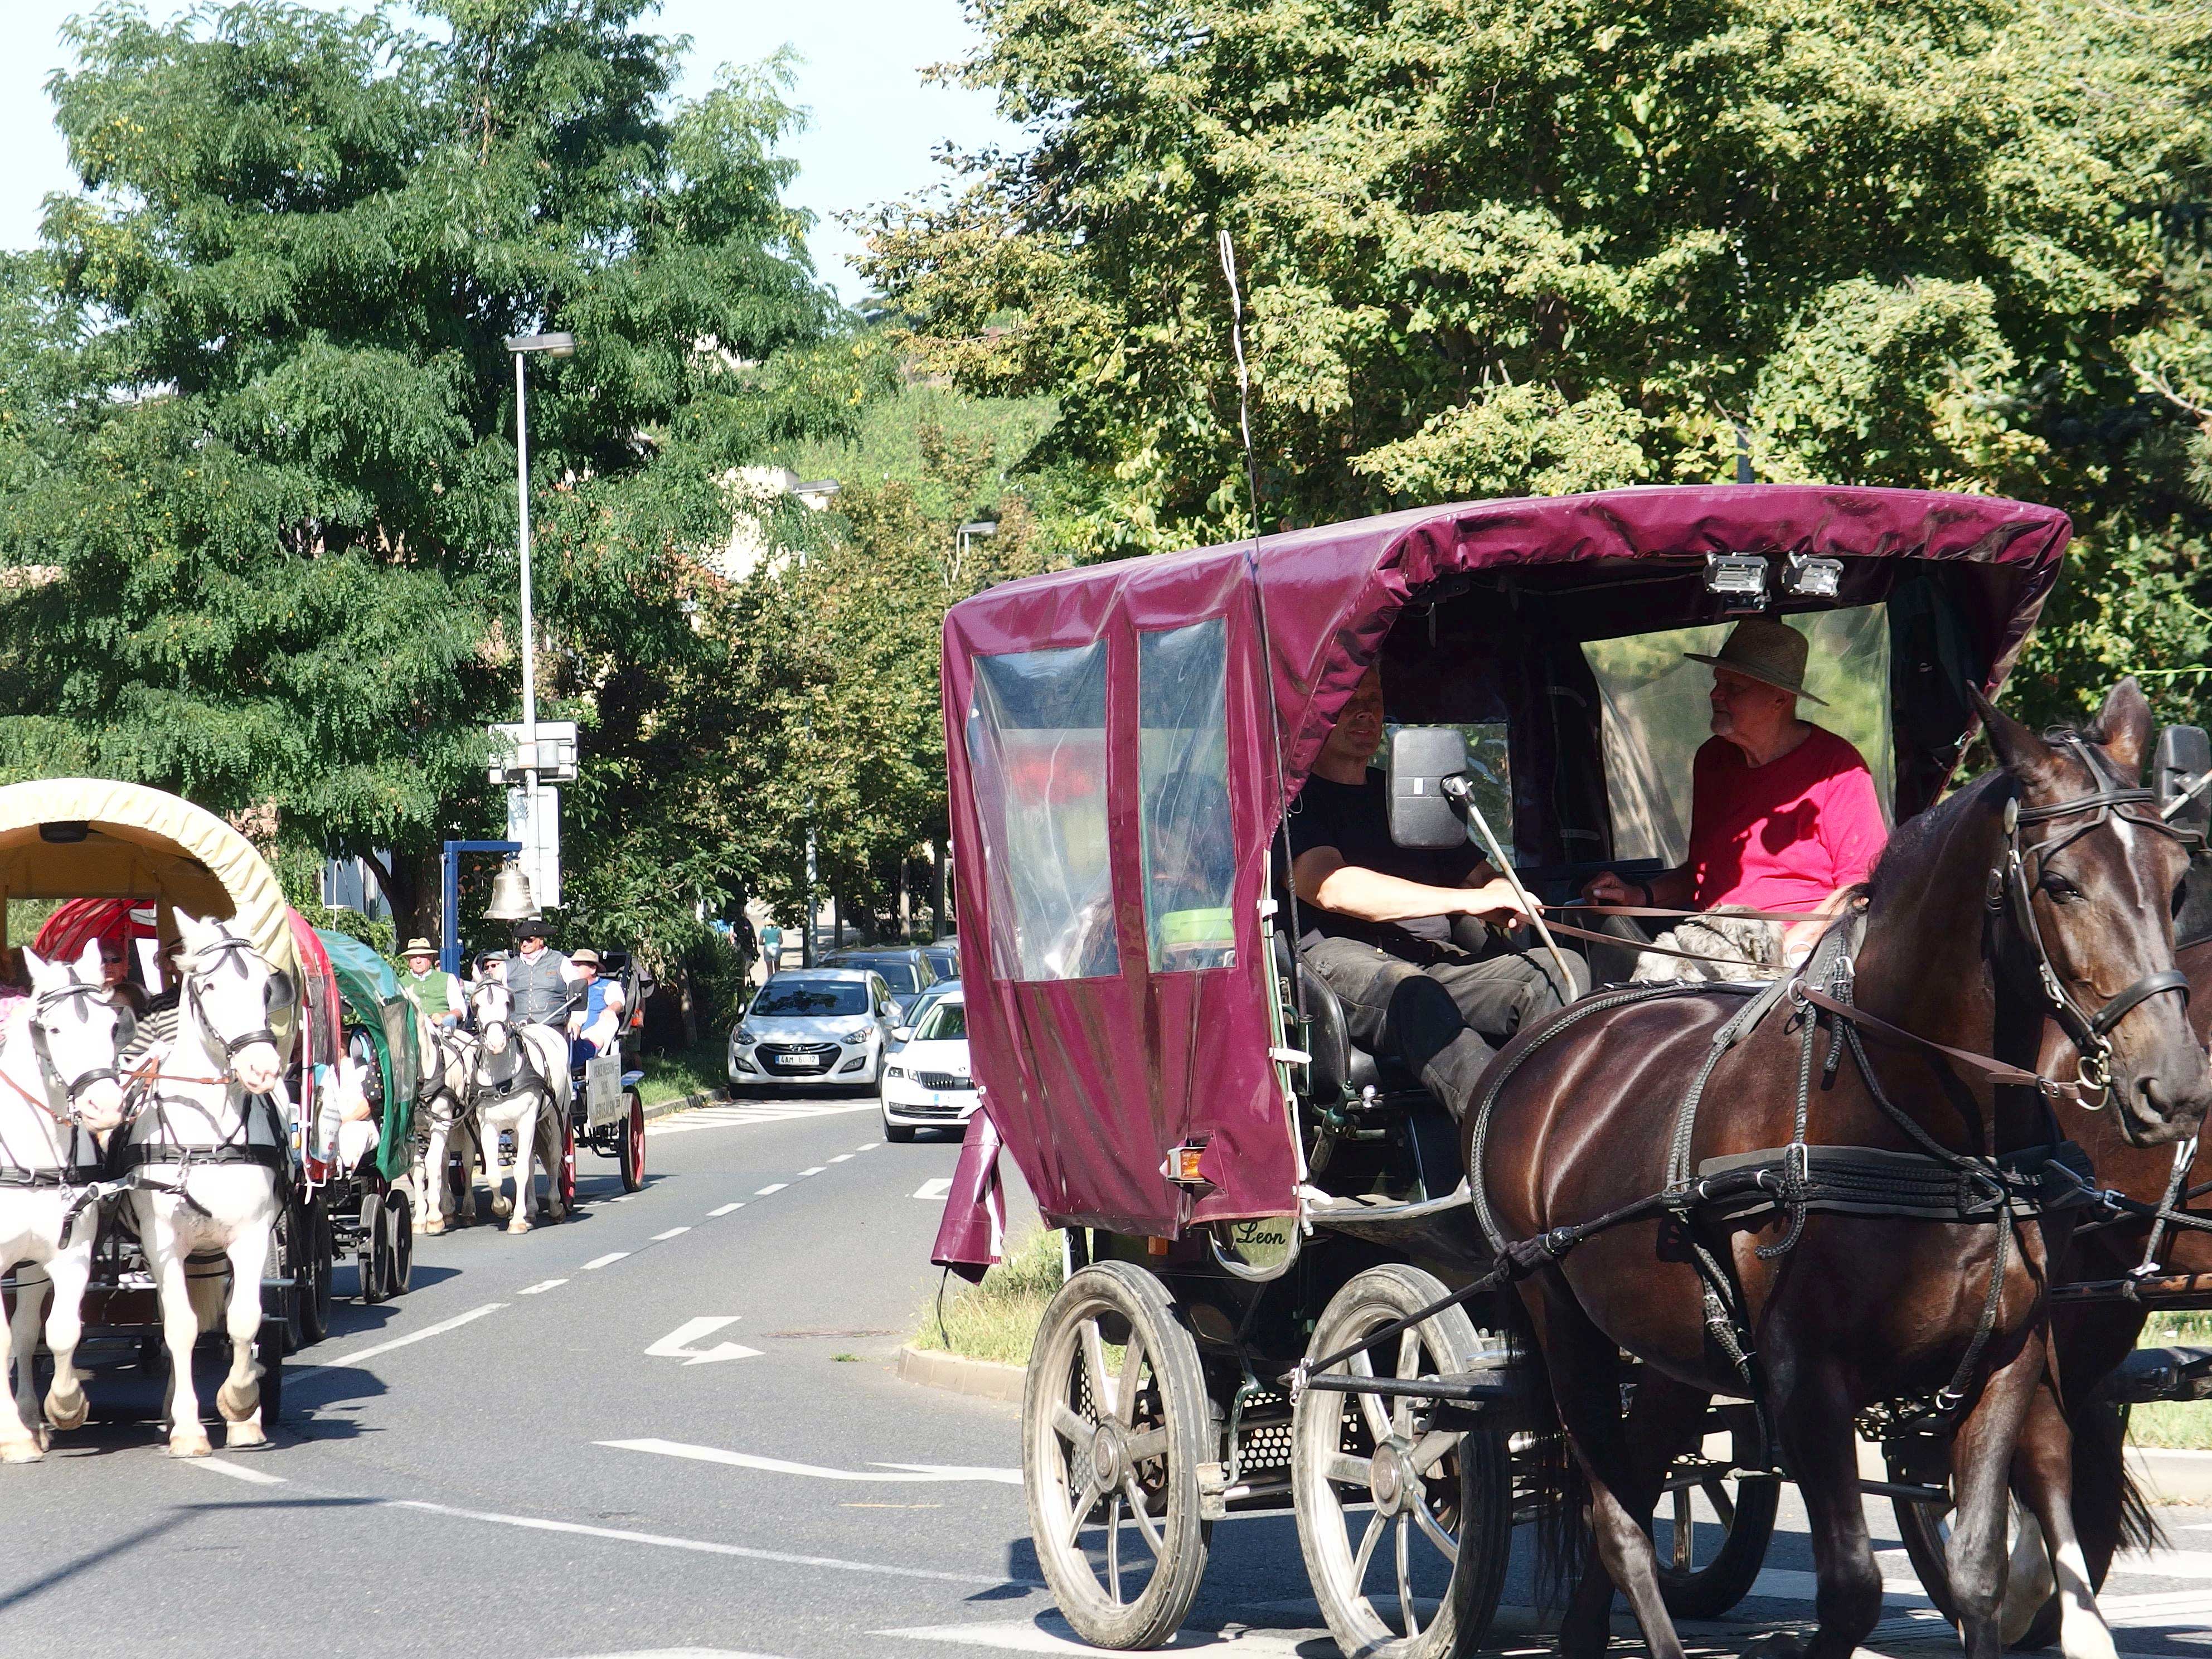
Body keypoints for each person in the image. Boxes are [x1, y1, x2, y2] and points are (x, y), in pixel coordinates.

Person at [1289, 664, 1587, 1121]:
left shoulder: (1403, 794)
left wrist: (1503, 892)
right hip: (1339, 961)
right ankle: (1505, 1134)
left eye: (1375, 699)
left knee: (1553, 971)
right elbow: (1331, 887)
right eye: (1349, 698)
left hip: (1429, 955)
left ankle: (1561, 1123)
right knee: (1412, 989)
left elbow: (1478, 875)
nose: (1367, 713)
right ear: (1314, 712)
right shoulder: (1291, 799)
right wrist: (1468, 902)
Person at [1580, 618, 1888, 983]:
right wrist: (1638, 895)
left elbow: (1863, 887)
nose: (1715, 694)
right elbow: (1702, 872)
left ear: (1780, 697)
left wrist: (1795, 946)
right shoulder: (1713, 759)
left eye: (1734, 687)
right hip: (1713, 946)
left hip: (1801, 960)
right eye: (1717, 682)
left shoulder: (1838, 767)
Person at [565, 947, 627, 1065]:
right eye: (572, 965)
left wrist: (610, 1009)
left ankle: (593, 1048)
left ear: (593, 969)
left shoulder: (608, 985)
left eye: (578, 965)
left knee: (610, 1018)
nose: (573, 969)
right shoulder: (567, 987)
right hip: (570, 1033)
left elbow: (618, 1002)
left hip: (594, 1031)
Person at [399, 936, 463, 1029]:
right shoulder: (400, 983)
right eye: (414, 957)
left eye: (423, 957)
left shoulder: (448, 979)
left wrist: (442, 1016)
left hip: (443, 1030)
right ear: (409, 961)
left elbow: (459, 1011)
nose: (418, 961)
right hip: (412, 1032)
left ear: (430, 958)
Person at [99, 938, 147, 1016]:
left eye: (116, 960)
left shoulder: (140, 993)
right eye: (104, 960)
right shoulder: (89, 992)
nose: (109, 965)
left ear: (126, 965)